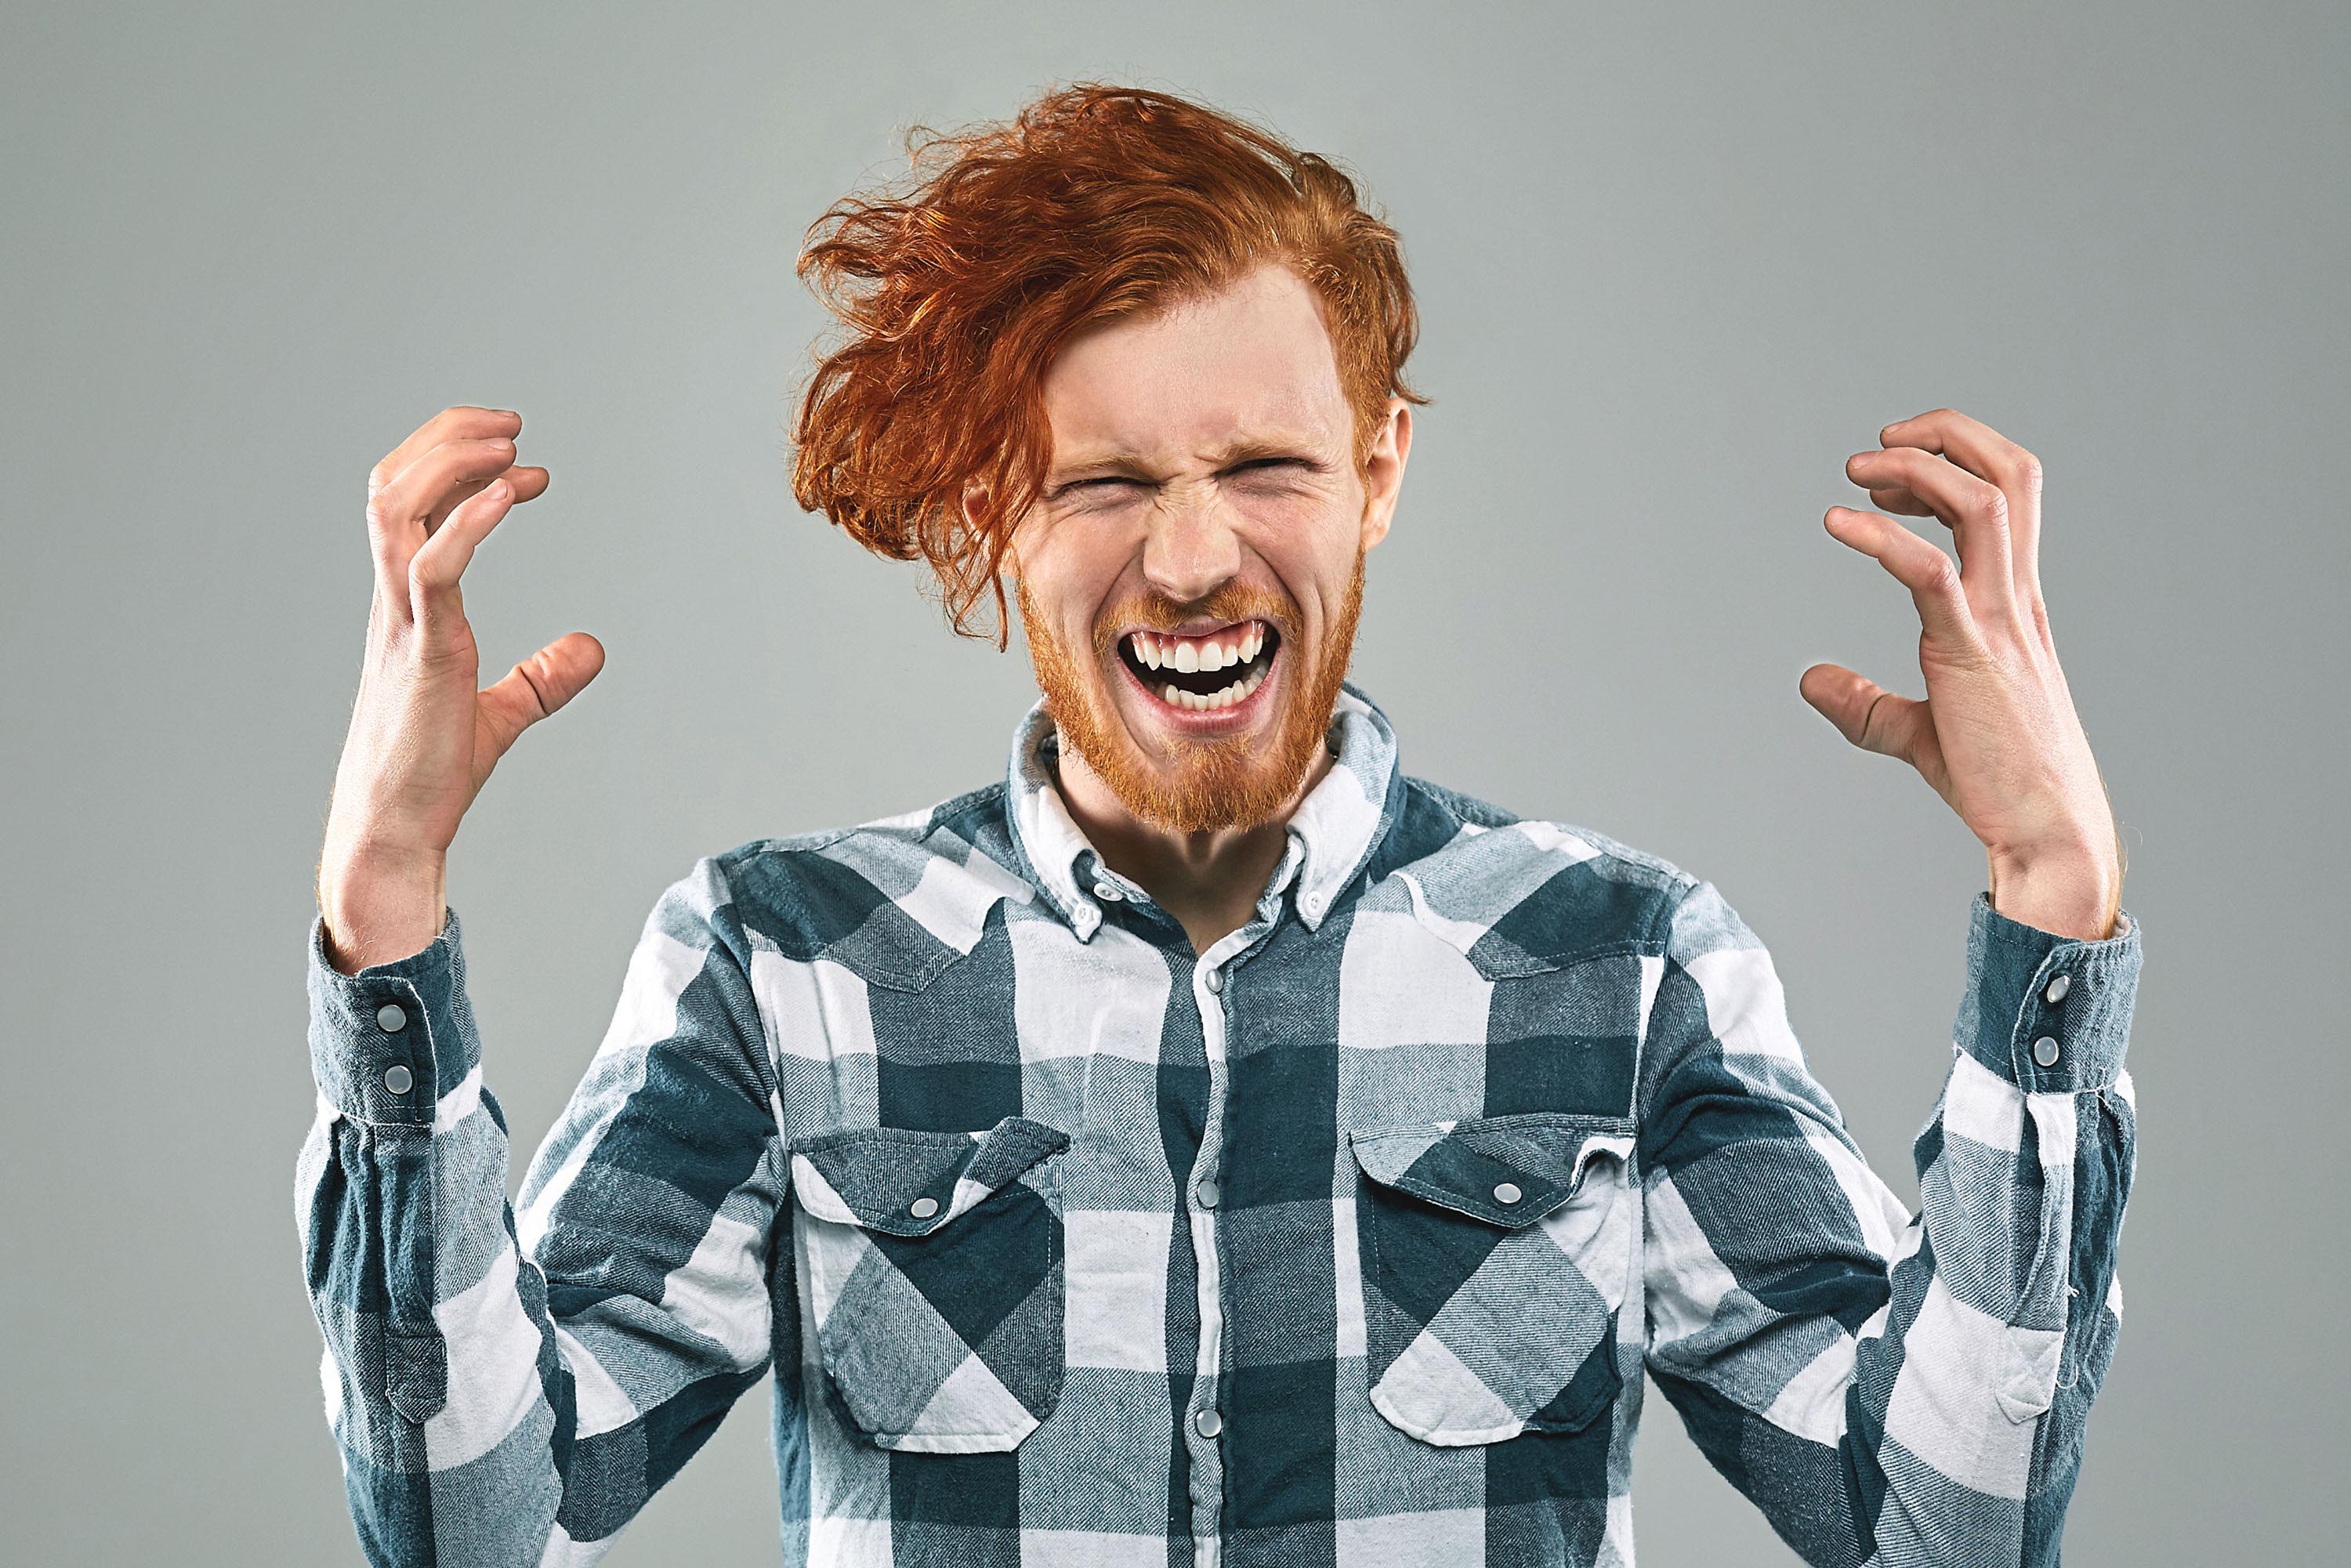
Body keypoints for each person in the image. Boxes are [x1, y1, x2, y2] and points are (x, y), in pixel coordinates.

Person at [297, 85, 2140, 1568]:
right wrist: (386, 924)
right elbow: (476, 1521)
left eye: (1265, 466)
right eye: (1103, 482)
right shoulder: (781, 968)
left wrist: (2052, 900)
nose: (1190, 558)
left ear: (1383, 469)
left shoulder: (1624, 963)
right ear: (989, 509)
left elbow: (1947, 1529)